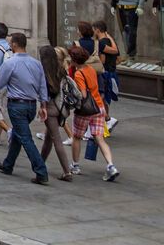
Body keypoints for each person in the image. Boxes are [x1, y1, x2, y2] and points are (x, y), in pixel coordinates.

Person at [0, 32, 50, 184]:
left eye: (10, 43)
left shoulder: (10, 63)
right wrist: (43, 104)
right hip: (31, 105)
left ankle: (41, 171)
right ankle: (8, 164)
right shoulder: (36, 63)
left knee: (25, 138)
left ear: (14, 44)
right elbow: (42, 85)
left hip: (17, 105)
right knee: (18, 135)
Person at [66, 45, 118, 180]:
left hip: (86, 109)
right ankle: (111, 166)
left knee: (77, 136)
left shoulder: (78, 73)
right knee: (99, 138)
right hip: (99, 107)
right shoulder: (90, 69)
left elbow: (82, 95)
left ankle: (75, 165)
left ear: (74, 59)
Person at [38, 45, 74, 181]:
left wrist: (42, 107)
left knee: (56, 139)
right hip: (60, 107)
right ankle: (40, 164)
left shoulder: (45, 73)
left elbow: (44, 93)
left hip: (50, 108)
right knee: (49, 138)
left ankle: (67, 171)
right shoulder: (61, 70)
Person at [93, 21, 120, 131]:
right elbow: (118, 57)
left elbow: (103, 60)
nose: (93, 32)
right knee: (105, 98)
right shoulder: (109, 41)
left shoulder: (102, 43)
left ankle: (107, 119)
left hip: (106, 73)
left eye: (93, 29)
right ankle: (106, 120)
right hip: (112, 71)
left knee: (102, 97)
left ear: (97, 30)